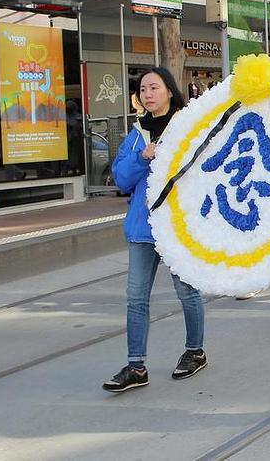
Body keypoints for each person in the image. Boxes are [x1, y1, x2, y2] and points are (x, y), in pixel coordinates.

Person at [102, 68, 206, 393]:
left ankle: (195, 351)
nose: (147, 94)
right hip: (142, 229)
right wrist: (143, 157)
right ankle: (136, 366)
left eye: (154, 87)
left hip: (177, 228)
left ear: (170, 92)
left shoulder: (188, 129)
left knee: (187, 292)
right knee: (135, 299)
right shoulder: (136, 135)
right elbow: (120, 180)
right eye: (142, 89)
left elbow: (203, 172)